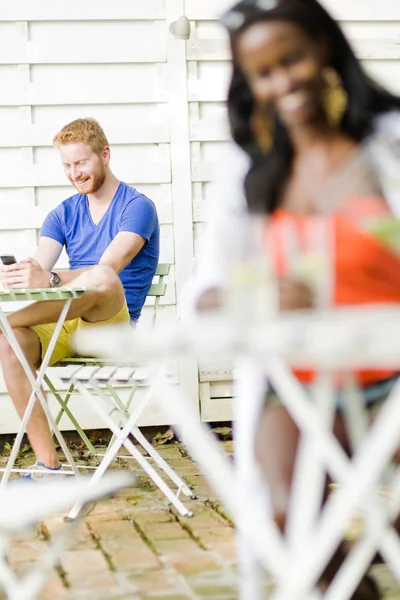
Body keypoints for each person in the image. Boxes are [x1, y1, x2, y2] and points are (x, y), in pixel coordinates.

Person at [191, 0, 400, 597]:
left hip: (393, 373)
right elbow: (203, 293)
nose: (283, 81)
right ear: (250, 84)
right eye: (263, 72)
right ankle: (356, 584)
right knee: (280, 516)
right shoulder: (250, 170)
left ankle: (362, 563)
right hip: (303, 383)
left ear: (324, 49)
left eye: (293, 59)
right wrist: (253, 299)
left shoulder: (388, 146)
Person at [0, 117, 159, 478]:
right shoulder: (62, 214)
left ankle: (6, 321)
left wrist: (50, 277)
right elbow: (40, 270)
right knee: (8, 343)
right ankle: (47, 465)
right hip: (65, 322)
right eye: (67, 166)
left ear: (104, 155)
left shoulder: (137, 207)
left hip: (109, 329)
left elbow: (109, 267)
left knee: (101, 276)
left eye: (82, 163)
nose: (75, 173)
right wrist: (20, 276)